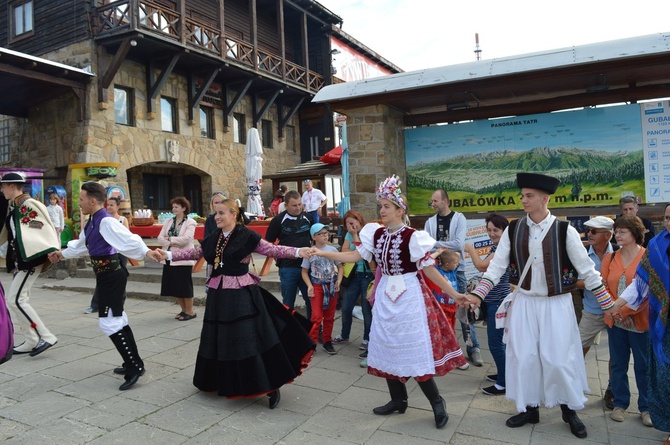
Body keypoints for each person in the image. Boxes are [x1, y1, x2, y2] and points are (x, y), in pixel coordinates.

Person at [310, 175, 467, 429]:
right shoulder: (376, 233)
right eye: (380, 206)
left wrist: (454, 293)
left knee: (413, 351)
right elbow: (354, 254)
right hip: (385, 295)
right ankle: (398, 400)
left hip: (410, 297)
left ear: (399, 209)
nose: (381, 210)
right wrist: (322, 251)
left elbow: (428, 270)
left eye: (386, 206)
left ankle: (437, 402)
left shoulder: (413, 237)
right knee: (387, 347)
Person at [468, 172, 615, 439]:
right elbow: (496, 268)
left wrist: (609, 304)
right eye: (522, 195)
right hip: (524, 303)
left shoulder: (564, 230)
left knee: (559, 360)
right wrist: (477, 295)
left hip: (556, 304)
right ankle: (530, 407)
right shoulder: (514, 229)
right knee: (524, 357)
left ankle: (569, 409)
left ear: (544, 198)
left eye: (529, 196)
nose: (523, 200)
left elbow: (588, 271)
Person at [154, 198, 315, 409]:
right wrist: (166, 254)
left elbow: (271, 249)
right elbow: (196, 253)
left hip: (241, 295)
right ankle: (225, 381)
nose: (217, 217)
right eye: (215, 213)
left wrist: (297, 251)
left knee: (249, 339)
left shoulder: (247, 235)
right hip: (219, 295)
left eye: (221, 213)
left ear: (233, 215)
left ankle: (270, 385)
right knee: (221, 339)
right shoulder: (214, 236)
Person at [48, 181, 158, 390]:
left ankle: (134, 366)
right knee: (118, 319)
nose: (79, 203)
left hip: (112, 276)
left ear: (92, 200)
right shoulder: (91, 222)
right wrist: (61, 254)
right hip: (106, 275)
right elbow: (82, 245)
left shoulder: (106, 221)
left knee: (109, 321)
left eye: (81, 199)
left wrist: (146, 252)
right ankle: (133, 362)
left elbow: (129, 239)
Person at [614, 203, 670, 445]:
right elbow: (641, 284)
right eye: (667, 218)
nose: (669, 222)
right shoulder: (656, 246)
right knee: (665, 377)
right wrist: (617, 303)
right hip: (664, 326)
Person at [0, 172, 60, 357]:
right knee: (19, 300)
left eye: (3, 186)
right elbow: (11, 236)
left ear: (11, 186)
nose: (1, 190)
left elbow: (41, 230)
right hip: (24, 261)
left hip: (31, 260)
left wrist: (38, 253)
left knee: (16, 300)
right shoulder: (16, 206)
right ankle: (31, 339)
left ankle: (46, 336)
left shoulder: (28, 204)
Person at [600, 215, 652, 427]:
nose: (617, 235)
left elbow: (647, 292)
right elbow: (602, 286)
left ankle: (647, 407)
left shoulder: (647, 257)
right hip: (615, 321)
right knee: (618, 364)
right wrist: (612, 309)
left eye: (622, 231)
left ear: (634, 233)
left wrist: (625, 311)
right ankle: (620, 403)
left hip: (640, 321)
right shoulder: (610, 258)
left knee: (643, 366)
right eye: (617, 231)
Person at [424, 189, 482, 367]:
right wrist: (438, 248)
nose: (433, 204)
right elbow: (426, 245)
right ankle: (441, 349)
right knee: (437, 310)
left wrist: (437, 246)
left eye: (435, 201)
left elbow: (459, 243)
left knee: (464, 309)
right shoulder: (429, 222)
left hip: (458, 271)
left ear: (445, 201)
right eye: (431, 201)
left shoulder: (459, 218)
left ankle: (473, 348)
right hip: (435, 271)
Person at [464, 213, 510, 396]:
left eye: (495, 230)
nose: (491, 233)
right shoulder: (497, 246)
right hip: (492, 301)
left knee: (496, 344)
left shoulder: (502, 249)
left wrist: (471, 249)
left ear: (504, 231)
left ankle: (504, 383)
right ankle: (504, 374)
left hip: (498, 302)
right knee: (499, 343)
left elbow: (482, 266)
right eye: (489, 230)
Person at [576, 216, 617, 408]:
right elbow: (570, 281)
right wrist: (593, 283)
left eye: (594, 231)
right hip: (591, 310)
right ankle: (573, 385)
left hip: (616, 311)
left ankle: (612, 389)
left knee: (617, 354)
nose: (589, 234)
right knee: (577, 349)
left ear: (608, 235)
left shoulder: (619, 252)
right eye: (588, 231)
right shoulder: (580, 253)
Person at [266, 190, 313, 320]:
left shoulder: (308, 218)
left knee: (311, 300)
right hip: (287, 267)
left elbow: (315, 238)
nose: (298, 208)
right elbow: (268, 243)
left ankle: (313, 331)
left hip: (307, 267)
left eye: (300, 204)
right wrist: (278, 255)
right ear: (286, 205)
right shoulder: (277, 220)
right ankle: (288, 331)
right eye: (294, 205)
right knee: (288, 303)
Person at [333, 210, 374, 353]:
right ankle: (344, 335)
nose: (351, 225)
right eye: (348, 224)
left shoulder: (368, 232)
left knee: (366, 308)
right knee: (346, 306)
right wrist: (352, 239)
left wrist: (355, 237)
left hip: (368, 275)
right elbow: (344, 251)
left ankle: (367, 339)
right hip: (354, 275)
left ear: (359, 220)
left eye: (353, 222)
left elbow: (364, 252)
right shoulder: (349, 235)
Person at [84, 196, 131, 314]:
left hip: (119, 253)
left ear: (117, 206)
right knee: (102, 278)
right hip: (105, 254)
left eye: (112, 205)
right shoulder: (101, 219)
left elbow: (126, 237)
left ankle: (119, 304)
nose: (109, 207)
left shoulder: (121, 220)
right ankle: (95, 304)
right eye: (108, 205)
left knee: (120, 278)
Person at [302, 222, 342, 354]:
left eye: (326, 233)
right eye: (321, 234)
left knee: (330, 316)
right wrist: (309, 286)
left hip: (331, 286)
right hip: (317, 286)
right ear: (314, 237)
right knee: (316, 317)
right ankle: (311, 343)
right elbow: (304, 271)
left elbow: (340, 267)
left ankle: (327, 341)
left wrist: (339, 281)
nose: (325, 236)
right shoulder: (310, 251)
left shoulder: (333, 250)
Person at [157, 197, 197, 321]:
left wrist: (170, 240)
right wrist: (173, 241)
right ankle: (183, 310)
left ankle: (190, 311)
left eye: (176, 207)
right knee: (175, 286)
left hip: (183, 258)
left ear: (184, 208)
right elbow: (160, 237)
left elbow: (187, 239)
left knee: (185, 286)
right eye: (173, 207)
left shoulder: (190, 222)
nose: (174, 209)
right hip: (168, 257)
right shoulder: (169, 221)